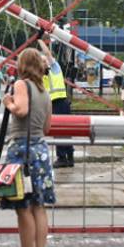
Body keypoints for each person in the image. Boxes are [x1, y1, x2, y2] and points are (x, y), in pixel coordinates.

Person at [1, 48, 55, 247]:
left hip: (22, 153)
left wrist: (8, 102)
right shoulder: (45, 91)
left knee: (23, 208)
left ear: (24, 65)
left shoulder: (22, 85)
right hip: (41, 151)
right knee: (39, 207)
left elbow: (20, 110)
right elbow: (47, 128)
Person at [36, 35, 73, 168]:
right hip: (53, 104)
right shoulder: (41, 75)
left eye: (45, 60)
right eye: (42, 61)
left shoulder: (55, 68)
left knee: (62, 130)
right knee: (62, 130)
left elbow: (47, 53)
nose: (44, 62)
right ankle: (68, 157)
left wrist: (39, 40)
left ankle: (63, 157)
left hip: (61, 102)